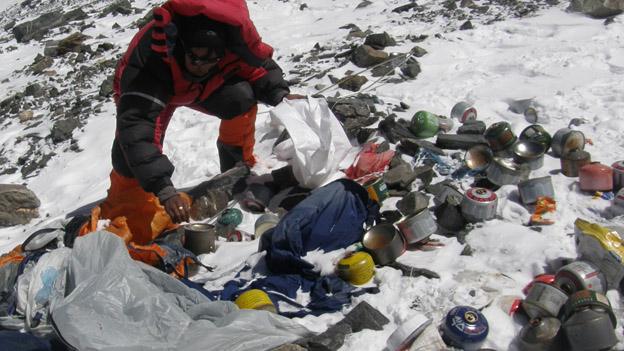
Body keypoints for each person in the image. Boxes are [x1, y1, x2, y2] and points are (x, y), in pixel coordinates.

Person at [96, 0, 303, 244]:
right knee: (127, 155)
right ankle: (124, 213)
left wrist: (281, 95)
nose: (201, 65)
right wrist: (165, 190)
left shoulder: (228, 44)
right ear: (180, 45)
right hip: (158, 85)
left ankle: (236, 169)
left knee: (240, 98)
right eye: (195, 59)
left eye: (210, 60)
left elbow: (258, 68)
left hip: (198, 87)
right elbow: (137, 129)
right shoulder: (151, 57)